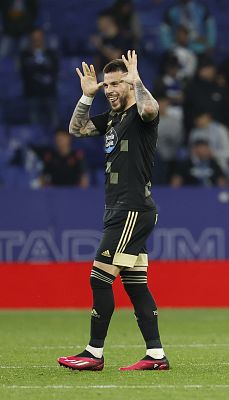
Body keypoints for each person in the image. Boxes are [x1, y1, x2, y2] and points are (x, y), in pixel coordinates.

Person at [57, 50, 169, 371]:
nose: (111, 90)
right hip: (121, 211)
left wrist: (138, 81)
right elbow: (76, 130)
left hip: (131, 210)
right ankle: (156, 356)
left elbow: (151, 108)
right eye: (107, 86)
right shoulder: (112, 118)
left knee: (99, 279)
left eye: (117, 84)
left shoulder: (141, 115)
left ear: (129, 85)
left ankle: (93, 353)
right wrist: (86, 97)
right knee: (136, 285)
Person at [18, 28, 59, 129]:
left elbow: (54, 70)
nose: (37, 40)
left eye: (39, 37)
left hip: (49, 92)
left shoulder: (50, 53)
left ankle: (56, 139)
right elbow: (25, 72)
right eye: (35, 37)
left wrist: (37, 68)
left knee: (55, 122)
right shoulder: (25, 55)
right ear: (31, 39)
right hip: (32, 93)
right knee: (34, 123)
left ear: (43, 38)